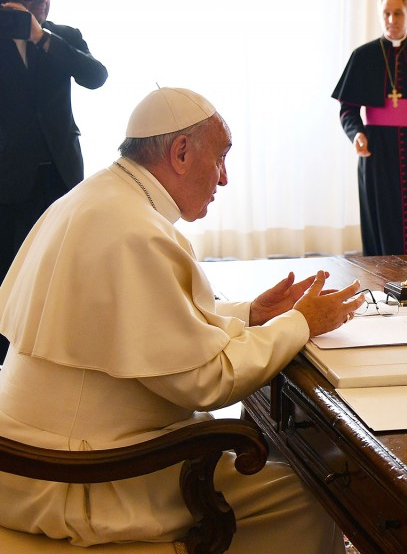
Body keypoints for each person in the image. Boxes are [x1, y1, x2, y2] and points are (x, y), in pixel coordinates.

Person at [0, 87, 364, 552]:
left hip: (32, 459)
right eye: (222, 158)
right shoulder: (136, 231)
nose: (226, 178)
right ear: (181, 152)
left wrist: (253, 314)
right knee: (310, 492)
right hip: (82, 477)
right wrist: (301, 324)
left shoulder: (99, 197)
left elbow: (142, 320)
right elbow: (207, 381)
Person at [0, 0, 107, 362]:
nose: (38, 7)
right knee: (10, 266)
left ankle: (61, 350)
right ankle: (8, 361)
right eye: (29, 1)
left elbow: (96, 76)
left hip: (61, 172)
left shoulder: (63, 35)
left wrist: (42, 37)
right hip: (8, 175)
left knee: (63, 263)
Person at [331, 0, 407, 256]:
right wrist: (356, 134)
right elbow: (347, 109)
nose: (391, 19)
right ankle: (381, 275)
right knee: (380, 213)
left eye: (397, 13)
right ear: (380, 17)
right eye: (386, 13)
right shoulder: (363, 56)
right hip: (376, 149)